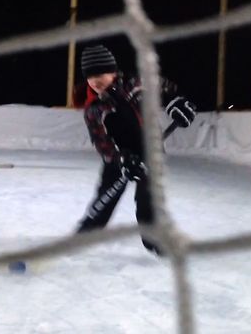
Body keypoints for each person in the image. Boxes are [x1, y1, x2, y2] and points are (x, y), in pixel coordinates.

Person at [76, 45, 197, 256]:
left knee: (149, 198)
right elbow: (101, 142)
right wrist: (121, 159)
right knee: (106, 195)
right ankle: (88, 231)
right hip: (119, 157)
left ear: (113, 70)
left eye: (101, 73)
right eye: (90, 76)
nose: (96, 80)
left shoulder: (135, 84)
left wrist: (176, 102)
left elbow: (165, 88)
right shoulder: (93, 108)